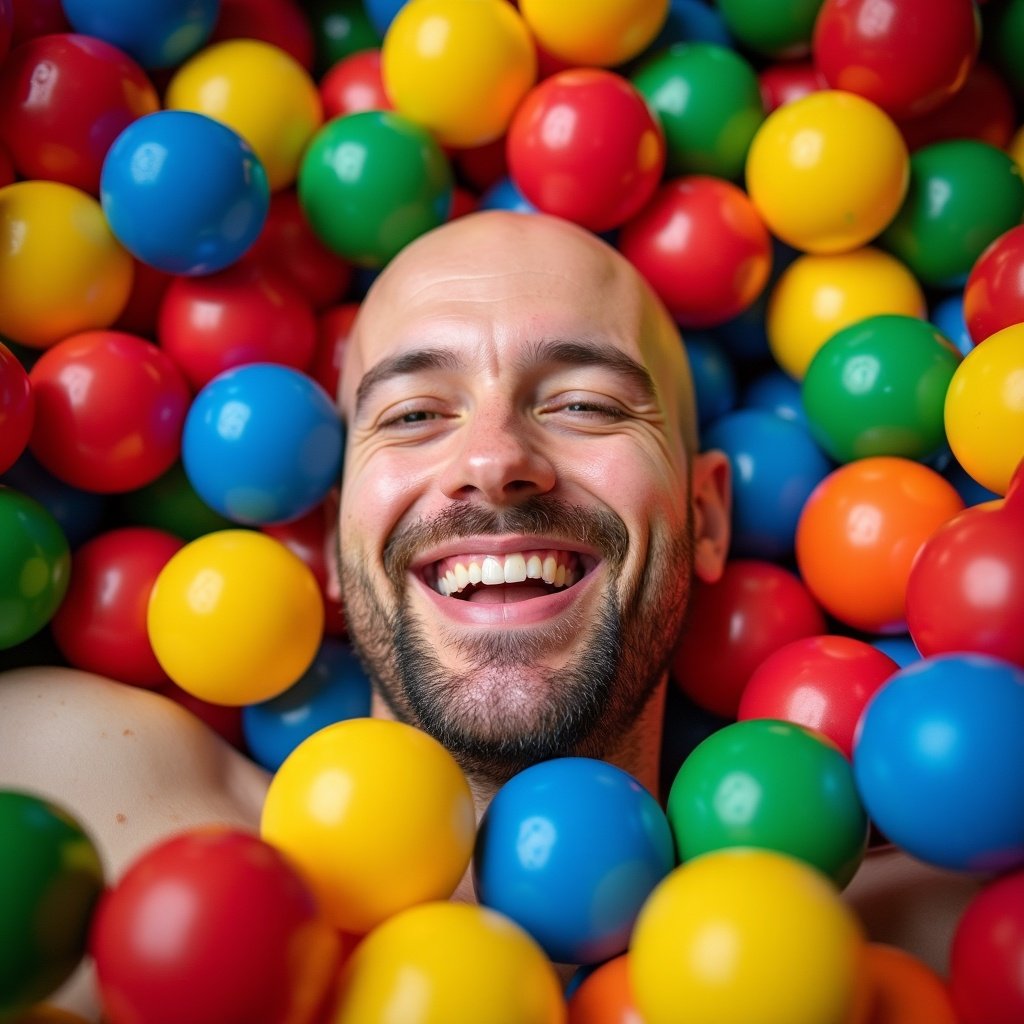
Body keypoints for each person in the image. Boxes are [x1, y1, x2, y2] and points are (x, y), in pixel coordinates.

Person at [0, 211, 980, 1020]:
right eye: (417, 413)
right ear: (338, 543)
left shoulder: (922, 939)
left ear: (704, 515)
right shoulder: (67, 783)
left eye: (586, 404)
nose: (494, 457)